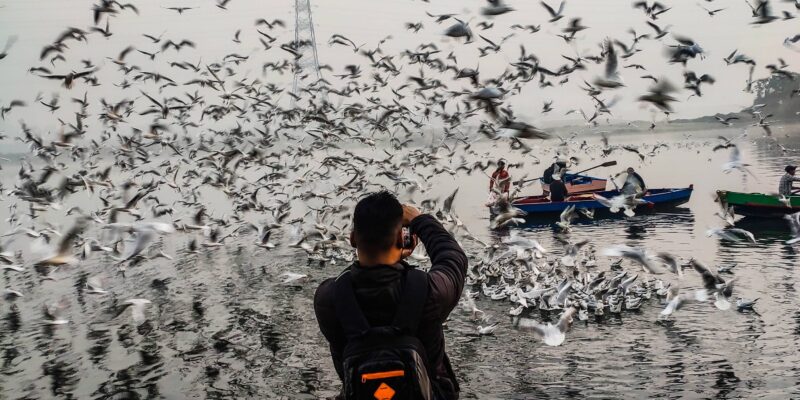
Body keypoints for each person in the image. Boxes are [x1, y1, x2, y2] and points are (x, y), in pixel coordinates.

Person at [314, 191, 468, 400]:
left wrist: (392, 255)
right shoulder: (428, 291)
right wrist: (419, 220)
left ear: (352, 239)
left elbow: (351, 283)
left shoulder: (328, 298)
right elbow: (453, 258)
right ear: (401, 239)